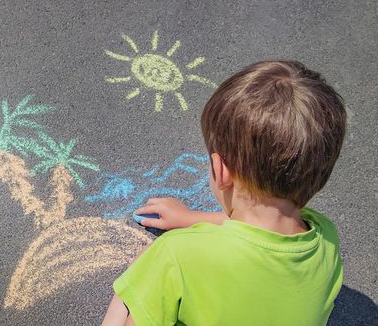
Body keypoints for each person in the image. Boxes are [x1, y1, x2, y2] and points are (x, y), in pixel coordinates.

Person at [101, 60, 347, 325]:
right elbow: (260, 234)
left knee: (137, 278)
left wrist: (133, 284)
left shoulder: (177, 256)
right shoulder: (326, 238)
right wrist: (190, 218)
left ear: (221, 170)